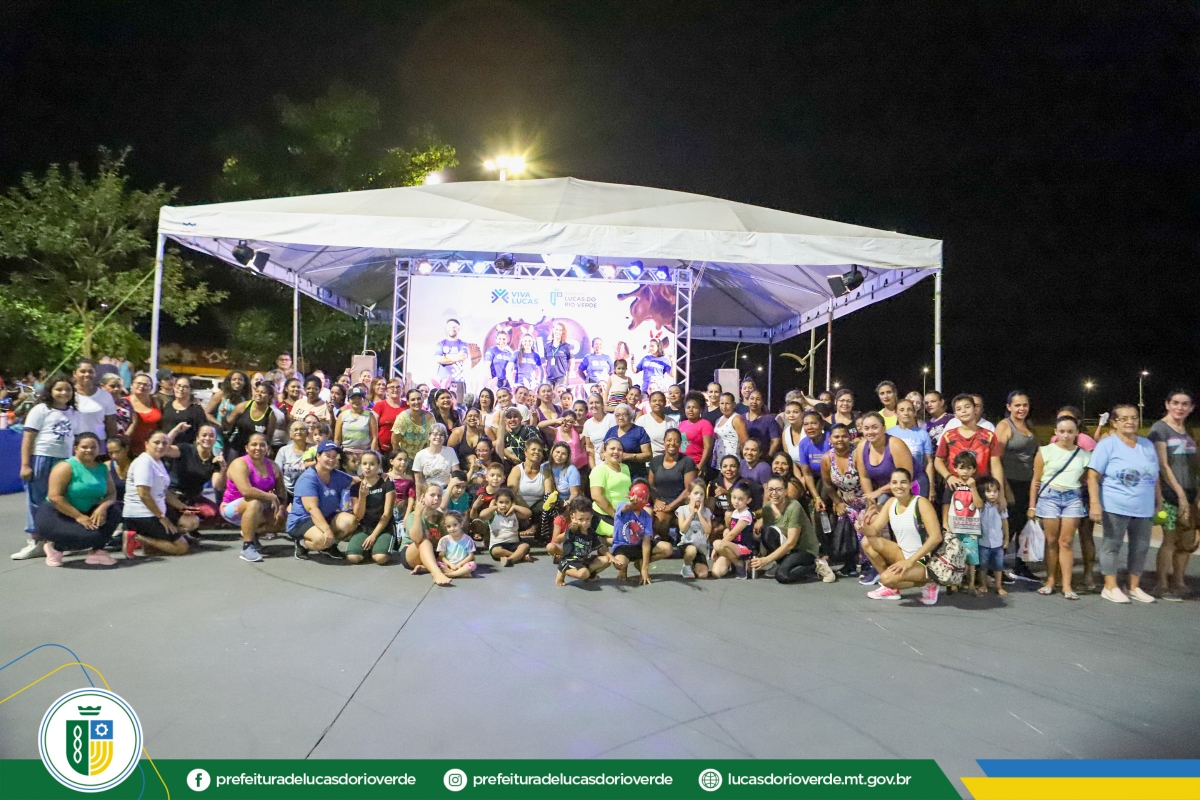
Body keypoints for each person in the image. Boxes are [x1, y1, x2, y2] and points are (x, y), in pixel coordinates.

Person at [1087, 403, 1162, 604]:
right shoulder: (1107, 445)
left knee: (1140, 547)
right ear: (1114, 422)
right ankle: (1110, 586)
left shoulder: (1147, 445)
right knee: (1112, 545)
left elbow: (1155, 476)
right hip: (1115, 505)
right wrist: (1095, 503)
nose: (1130, 422)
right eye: (1124, 419)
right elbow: (1092, 476)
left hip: (1144, 507)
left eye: (1134, 418)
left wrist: (1159, 500)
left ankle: (1134, 587)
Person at [14, 374, 80, 559]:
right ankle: (36, 540)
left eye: (68, 389)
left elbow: (76, 440)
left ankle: (56, 541)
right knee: (37, 500)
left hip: (64, 461)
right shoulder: (41, 410)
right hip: (42, 458)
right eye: (59, 389)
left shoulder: (74, 413)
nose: (63, 393)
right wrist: (25, 464)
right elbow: (28, 438)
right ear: (50, 391)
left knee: (60, 499)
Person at [33, 433, 120, 566]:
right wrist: (78, 516)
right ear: (75, 448)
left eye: (93, 447)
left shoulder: (102, 468)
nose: (89, 450)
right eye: (84, 447)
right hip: (58, 514)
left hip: (86, 511)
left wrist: (102, 508)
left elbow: (111, 493)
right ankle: (55, 548)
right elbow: (55, 497)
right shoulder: (65, 467)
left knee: (114, 510)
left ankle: (97, 552)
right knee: (90, 536)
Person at [860, 468, 944, 604]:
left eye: (903, 482)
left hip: (925, 560)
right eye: (894, 482)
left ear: (910, 485)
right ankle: (892, 589)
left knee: (887, 579)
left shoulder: (921, 502)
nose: (899, 486)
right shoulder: (891, 503)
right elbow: (874, 530)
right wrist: (863, 528)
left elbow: (936, 537)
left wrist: (909, 561)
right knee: (867, 542)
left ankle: (930, 582)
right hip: (902, 554)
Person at [1030, 415, 1091, 599]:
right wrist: (1032, 506)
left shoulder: (1084, 455)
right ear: (1055, 432)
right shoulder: (1045, 451)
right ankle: (1050, 580)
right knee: (1051, 541)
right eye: (1062, 431)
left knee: (1066, 542)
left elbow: (1088, 479)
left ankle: (1066, 585)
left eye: (1070, 431)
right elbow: (1036, 480)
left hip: (1072, 498)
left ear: (1077, 433)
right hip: (1049, 497)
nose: (1066, 435)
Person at [1148, 390, 1196, 601]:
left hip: (1191, 493)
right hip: (1170, 493)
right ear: (1167, 404)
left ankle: (1179, 581)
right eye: (1175, 403)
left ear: (1191, 408)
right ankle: (1162, 583)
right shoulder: (1159, 429)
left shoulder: (1188, 431)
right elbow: (1162, 465)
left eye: (1185, 404)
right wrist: (1180, 495)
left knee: (1187, 541)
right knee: (1169, 539)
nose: (1180, 407)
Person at [122, 431, 198, 557]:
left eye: (164, 443)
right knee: (181, 547)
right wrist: (162, 517)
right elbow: (143, 494)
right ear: (146, 444)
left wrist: (183, 508)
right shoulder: (144, 463)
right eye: (156, 442)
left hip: (155, 512)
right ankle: (137, 538)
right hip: (141, 515)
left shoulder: (157, 462)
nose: (161, 446)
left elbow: (165, 491)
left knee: (191, 521)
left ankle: (151, 543)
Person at [220, 433, 286, 562]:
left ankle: (252, 532)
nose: (258, 448)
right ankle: (247, 546)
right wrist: (270, 496)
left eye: (262, 445)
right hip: (232, 508)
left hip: (260, 506)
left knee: (284, 519)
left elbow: (281, 493)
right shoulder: (239, 464)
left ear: (268, 448)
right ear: (247, 448)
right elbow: (246, 491)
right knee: (254, 503)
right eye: (254, 445)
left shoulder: (273, 466)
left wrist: (281, 509)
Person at [754, 475, 833, 583]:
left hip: (804, 549)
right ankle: (785, 564)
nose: (774, 493)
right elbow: (768, 535)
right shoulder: (767, 508)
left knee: (782, 576)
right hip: (788, 548)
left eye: (778, 489)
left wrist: (766, 560)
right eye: (771, 489)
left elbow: (791, 542)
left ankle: (816, 565)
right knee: (767, 532)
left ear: (785, 491)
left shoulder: (794, 506)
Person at [286, 440, 357, 561]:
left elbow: (357, 481)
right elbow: (312, 509)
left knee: (350, 521)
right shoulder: (308, 479)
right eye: (327, 456)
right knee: (321, 539)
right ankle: (302, 543)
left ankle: (329, 546)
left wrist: (381, 477)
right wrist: (327, 530)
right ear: (318, 457)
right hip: (303, 520)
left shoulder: (336, 474)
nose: (331, 459)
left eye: (334, 456)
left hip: (327, 516)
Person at [821, 424, 865, 577]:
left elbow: (867, 479)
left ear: (850, 437)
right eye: (836, 436)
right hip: (846, 502)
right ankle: (849, 564)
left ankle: (868, 566)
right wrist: (837, 502)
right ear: (830, 439)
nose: (840, 439)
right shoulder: (827, 458)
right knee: (845, 533)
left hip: (865, 499)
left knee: (865, 533)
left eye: (844, 436)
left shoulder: (857, 454)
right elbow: (828, 485)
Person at [855, 412, 915, 516]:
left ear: (884, 428)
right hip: (886, 489)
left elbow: (906, 477)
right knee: (872, 517)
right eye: (866, 428)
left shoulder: (895, 444)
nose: (870, 432)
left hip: (910, 485)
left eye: (874, 428)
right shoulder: (861, 447)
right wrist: (871, 500)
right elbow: (864, 477)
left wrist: (878, 492)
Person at [610, 481, 669, 583]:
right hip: (622, 546)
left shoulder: (646, 516)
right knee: (619, 564)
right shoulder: (621, 506)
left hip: (638, 545)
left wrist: (644, 568)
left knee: (667, 548)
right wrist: (631, 504)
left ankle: (639, 563)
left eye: (645, 498)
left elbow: (646, 542)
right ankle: (624, 569)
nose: (641, 501)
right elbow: (626, 507)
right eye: (639, 498)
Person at [166, 423, 224, 524]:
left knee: (213, 513)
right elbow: (166, 450)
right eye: (204, 435)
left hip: (193, 498)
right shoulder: (186, 449)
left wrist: (223, 468)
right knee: (191, 523)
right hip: (174, 495)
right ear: (197, 438)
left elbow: (217, 486)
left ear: (215, 440)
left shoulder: (214, 461)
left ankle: (188, 519)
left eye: (211, 436)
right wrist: (176, 430)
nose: (207, 438)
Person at [944, 451, 984, 594]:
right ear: (955, 468)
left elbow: (979, 505)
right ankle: (955, 582)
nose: (965, 471)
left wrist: (973, 488)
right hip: (955, 527)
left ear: (974, 469)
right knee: (954, 555)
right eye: (961, 468)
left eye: (968, 468)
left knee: (971, 557)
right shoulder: (952, 485)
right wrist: (945, 524)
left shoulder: (977, 485)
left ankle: (971, 584)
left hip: (971, 528)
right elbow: (946, 504)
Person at [346, 451, 395, 566]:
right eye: (364, 464)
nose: (368, 467)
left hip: (384, 528)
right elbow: (358, 516)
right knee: (353, 557)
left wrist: (374, 536)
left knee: (380, 558)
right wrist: (362, 497)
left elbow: (387, 514)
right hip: (365, 528)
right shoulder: (355, 487)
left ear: (378, 466)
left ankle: (380, 546)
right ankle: (368, 549)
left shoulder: (387, 484)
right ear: (360, 465)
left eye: (372, 464)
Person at [648, 428, 697, 539]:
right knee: (659, 520)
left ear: (680, 443)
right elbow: (650, 486)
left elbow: (689, 489)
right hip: (662, 504)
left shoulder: (687, 461)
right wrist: (656, 500)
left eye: (676, 440)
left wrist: (671, 506)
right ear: (664, 442)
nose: (672, 443)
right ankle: (666, 541)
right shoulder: (656, 461)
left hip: (682, 504)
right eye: (669, 440)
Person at [556, 497, 610, 586]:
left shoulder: (591, 532)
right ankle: (562, 569)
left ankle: (588, 575)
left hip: (584, 559)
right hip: (571, 560)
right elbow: (572, 528)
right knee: (583, 573)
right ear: (573, 517)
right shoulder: (573, 528)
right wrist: (573, 525)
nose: (584, 523)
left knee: (606, 560)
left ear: (591, 517)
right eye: (580, 519)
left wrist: (611, 557)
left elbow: (600, 547)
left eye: (587, 519)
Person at [888, 399, 935, 498]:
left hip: (918, 481)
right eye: (902, 410)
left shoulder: (922, 434)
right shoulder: (889, 434)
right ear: (896, 413)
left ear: (914, 413)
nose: (906, 413)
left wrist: (931, 486)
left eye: (909, 410)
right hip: (896, 482)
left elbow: (929, 462)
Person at [479, 487, 533, 566]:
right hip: (498, 544)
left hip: (514, 544)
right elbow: (482, 515)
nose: (504, 505)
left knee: (525, 546)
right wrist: (495, 507)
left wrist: (515, 507)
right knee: (496, 551)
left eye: (507, 502)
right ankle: (519, 557)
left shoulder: (514, 514)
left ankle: (509, 559)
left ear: (511, 503)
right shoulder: (493, 515)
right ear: (496, 502)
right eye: (501, 502)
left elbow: (528, 513)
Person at [711, 484, 756, 578]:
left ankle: (739, 564)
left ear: (748, 500)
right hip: (733, 547)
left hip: (744, 548)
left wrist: (716, 549)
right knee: (716, 573)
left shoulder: (746, 514)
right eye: (734, 498)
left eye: (740, 499)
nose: (736, 501)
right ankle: (733, 563)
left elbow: (732, 535)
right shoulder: (735, 512)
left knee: (717, 543)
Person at [225, 381, 276, 462]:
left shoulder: (271, 415)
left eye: (263, 392)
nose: (259, 394)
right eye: (257, 391)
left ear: (270, 396)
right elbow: (227, 426)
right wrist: (223, 417)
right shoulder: (243, 406)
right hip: (236, 446)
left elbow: (268, 437)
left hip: (255, 450)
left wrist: (268, 449)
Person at [590, 439, 633, 537]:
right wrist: (615, 515)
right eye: (612, 449)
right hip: (604, 515)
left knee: (641, 534)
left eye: (619, 449)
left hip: (624, 513)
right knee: (626, 537)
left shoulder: (625, 468)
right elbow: (596, 496)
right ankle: (600, 541)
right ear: (604, 452)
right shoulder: (599, 470)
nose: (616, 452)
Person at [977, 477, 1010, 595]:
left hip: (997, 542)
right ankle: (983, 585)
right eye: (988, 491)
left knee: (998, 567)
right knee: (983, 566)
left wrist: (1006, 538)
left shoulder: (1000, 506)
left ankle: (998, 586)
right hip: (983, 542)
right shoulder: (981, 507)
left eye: (995, 491)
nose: (992, 494)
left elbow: (1005, 523)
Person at [604, 403, 653, 479]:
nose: (621, 418)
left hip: (635, 475)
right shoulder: (611, 431)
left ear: (630, 416)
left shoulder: (639, 431)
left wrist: (628, 456)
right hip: (613, 475)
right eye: (617, 415)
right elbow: (602, 452)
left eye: (624, 415)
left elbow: (648, 455)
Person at [159, 375, 209, 446]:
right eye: (178, 386)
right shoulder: (167, 405)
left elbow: (201, 429)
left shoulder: (196, 409)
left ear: (190, 390)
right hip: (166, 446)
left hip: (186, 448)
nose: (181, 389)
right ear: (174, 387)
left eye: (185, 387)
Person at [676, 482, 712, 579]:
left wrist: (699, 514)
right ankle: (686, 566)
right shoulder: (682, 509)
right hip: (687, 545)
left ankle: (694, 565)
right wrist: (691, 514)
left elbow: (708, 530)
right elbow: (683, 529)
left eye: (702, 494)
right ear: (689, 495)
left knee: (703, 575)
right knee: (692, 550)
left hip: (701, 547)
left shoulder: (706, 511)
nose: (698, 496)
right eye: (695, 493)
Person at [413, 423, 460, 496]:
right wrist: (418, 498)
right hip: (428, 492)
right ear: (429, 436)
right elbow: (418, 481)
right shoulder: (420, 455)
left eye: (441, 435)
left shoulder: (450, 451)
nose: (438, 437)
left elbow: (456, 474)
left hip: (446, 490)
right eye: (435, 434)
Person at [796, 410, 831, 503]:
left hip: (834, 478)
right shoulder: (803, 444)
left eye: (814, 423)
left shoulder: (830, 439)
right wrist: (816, 497)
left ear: (822, 425)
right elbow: (807, 474)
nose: (810, 427)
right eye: (806, 424)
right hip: (816, 478)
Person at [391, 388, 435, 458]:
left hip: (425, 458)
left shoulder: (429, 416)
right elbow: (394, 442)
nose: (416, 402)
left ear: (423, 400)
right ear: (407, 402)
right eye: (413, 399)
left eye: (419, 399)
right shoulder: (403, 418)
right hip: (407, 459)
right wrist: (401, 459)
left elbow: (434, 438)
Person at [125, 373, 162, 457]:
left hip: (151, 448)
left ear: (151, 388)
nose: (141, 386)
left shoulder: (157, 401)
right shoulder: (124, 402)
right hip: (128, 448)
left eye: (145, 384)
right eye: (138, 383)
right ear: (132, 385)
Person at [677, 393, 715, 475]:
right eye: (688, 407)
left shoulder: (705, 424)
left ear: (701, 410)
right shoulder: (682, 424)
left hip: (695, 464)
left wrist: (701, 465)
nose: (691, 410)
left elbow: (708, 447)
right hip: (681, 463)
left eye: (694, 407)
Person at [711, 392, 749, 473]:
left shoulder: (736, 419)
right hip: (719, 463)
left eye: (727, 403)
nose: (724, 407)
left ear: (734, 405)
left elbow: (744, 442)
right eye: (722, 403)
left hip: (732, 463)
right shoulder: (718, 420)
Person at [335, 387, 378, 455]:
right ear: (348, 400)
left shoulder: (370, 415)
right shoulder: (342, 415)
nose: (356, 400)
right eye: (353, 398)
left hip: (364, 454)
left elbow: (374, 438)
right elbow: (337, 439)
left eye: (359, 398)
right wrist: (337, 454)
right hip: (346, 454)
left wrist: (372, 455)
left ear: (364, 400)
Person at [435, 511, 477, 578]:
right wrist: (450, 565)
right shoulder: (444, 540)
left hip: (462, 565)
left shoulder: (468, 539)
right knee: (436, 564)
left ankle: (453, 574)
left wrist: (460, 564)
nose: (452, 529)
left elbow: (470, 556)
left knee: (472, 564)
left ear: (461, 524)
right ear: (445, 527)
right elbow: (441, 557)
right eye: (449, 526)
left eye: (455, 525)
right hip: (448, 565)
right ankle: (461, 574)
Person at [636, 391, 677, 457]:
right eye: (654, 401)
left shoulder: (672, 422)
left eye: (660, 401)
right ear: (649, 403)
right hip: (649, 460)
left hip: (668, 459)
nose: (657, 403)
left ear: (665, 403)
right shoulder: (642, 421)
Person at [742, 390, 781, 457]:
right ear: (748, 400)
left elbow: (776, 441)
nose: (754, 402)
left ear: (762, 402)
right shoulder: (741, 418)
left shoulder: (769, 419)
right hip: (745, 457)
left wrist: (768, 457)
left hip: (762, 458)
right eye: (752, 398)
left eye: (758, 399)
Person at [434, 318, 471, 389]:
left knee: (459, 396)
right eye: (450, 327)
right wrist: (456, 357)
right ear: (446, 328)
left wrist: (446, 356)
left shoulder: (462, 343)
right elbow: (438, 359)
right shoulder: (441, 343)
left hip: (459, 379)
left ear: (458, 329)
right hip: (443, 380)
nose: (452, 329)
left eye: (454, 327)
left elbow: (463, 357)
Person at [275, 420, 309, 497]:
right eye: (295, 430)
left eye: (302, 429)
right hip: (287, 491)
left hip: (308, 491)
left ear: (307, 433)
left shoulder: (313, 449)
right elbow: (277, 472)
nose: (298, 432)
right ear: (290, 434)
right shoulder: (283, 451)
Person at [582, 394, 616, 469]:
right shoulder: (587, 424)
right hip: (598, 465)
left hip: (614, 463)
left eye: (597, 402)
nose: (594, 405)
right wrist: (594, 469)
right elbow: (590, 448)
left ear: (602, 405)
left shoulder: (611, 418)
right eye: (591, 403)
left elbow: (614, 441)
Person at [543, 321, 574, 388]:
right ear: (553, 330)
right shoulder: (547, 346)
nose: (558, 332)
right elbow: (546, 361)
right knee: (548, 393)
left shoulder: (566, 346)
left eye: (560, 330)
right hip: (549, 377)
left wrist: (570, 373)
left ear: (562, 332)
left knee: (559, 394)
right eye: (556, 329)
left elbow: (572, 361)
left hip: (562, 377)